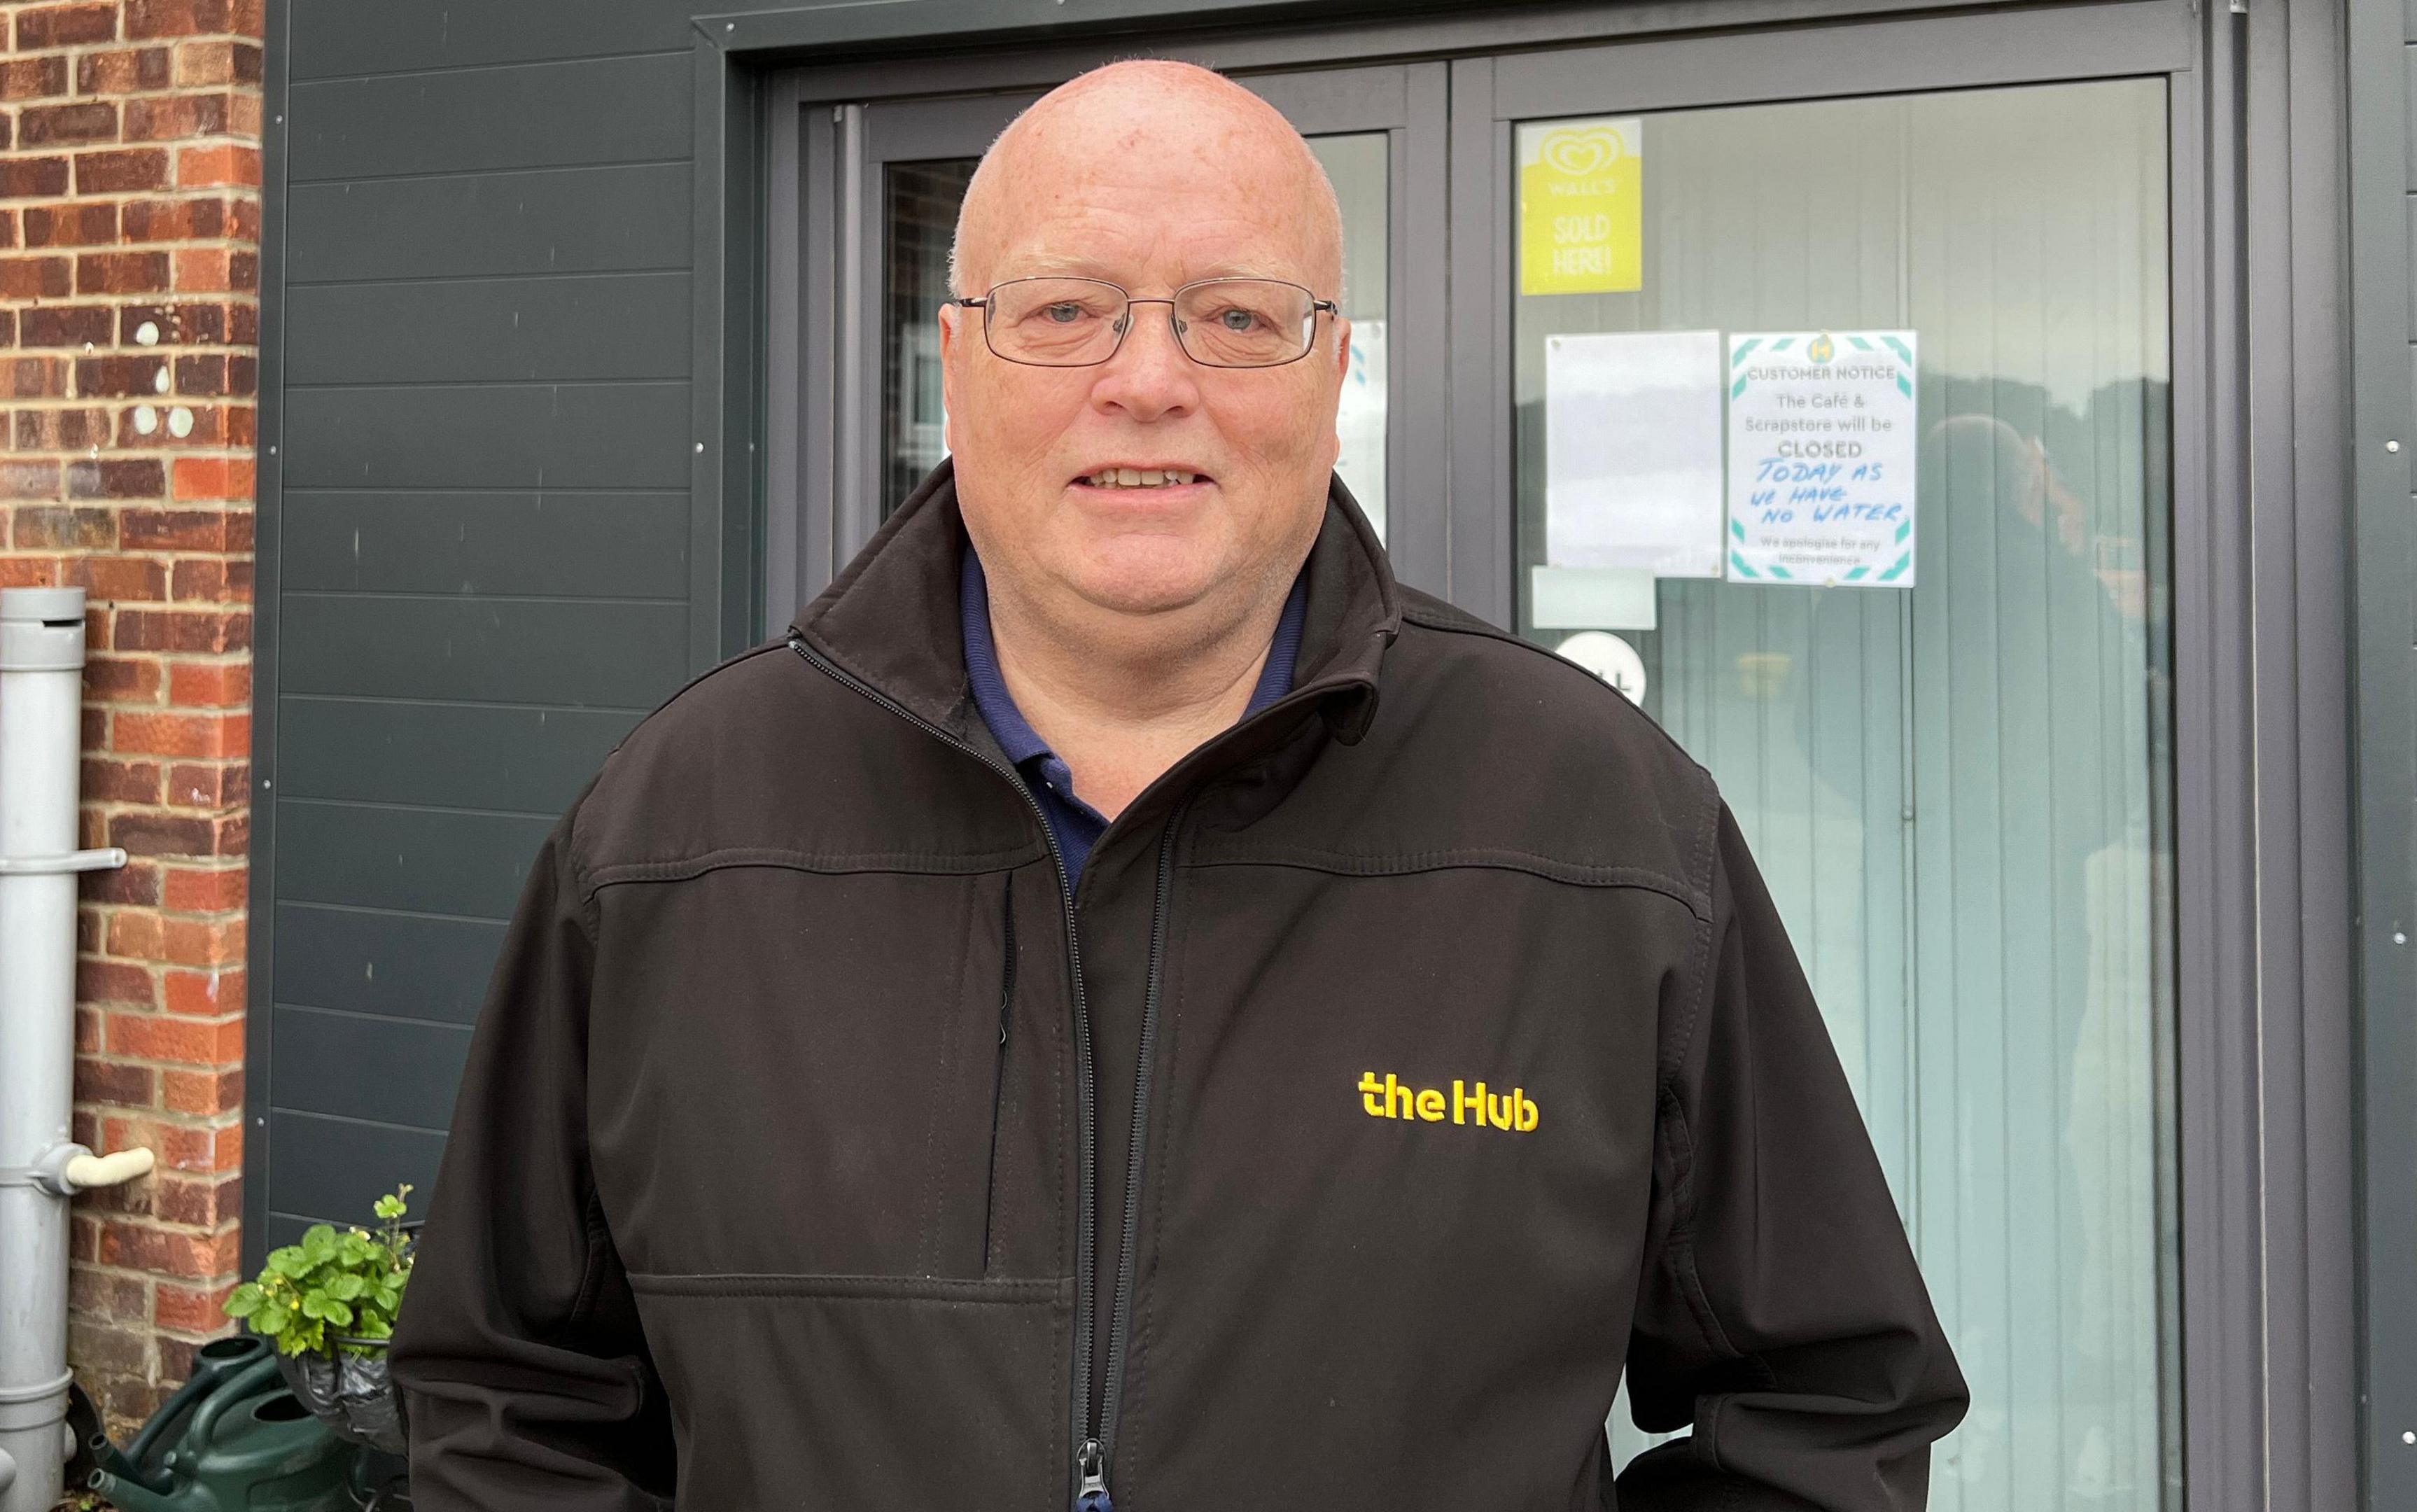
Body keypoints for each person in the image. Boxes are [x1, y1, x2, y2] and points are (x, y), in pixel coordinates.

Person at [386, 59, 1966, 1511]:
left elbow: (1824, 1407)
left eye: (1235, 315)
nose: (1147, 381)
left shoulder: (1601, 829)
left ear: (1333, 366)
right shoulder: (678, 831)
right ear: (957, 358)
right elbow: (509, 1402)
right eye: (1067, 310)